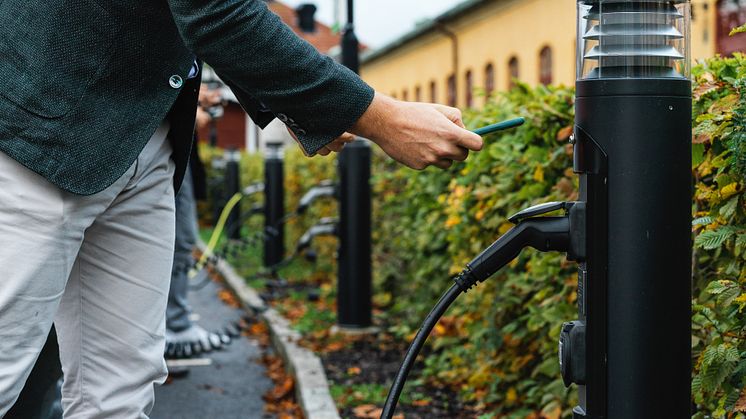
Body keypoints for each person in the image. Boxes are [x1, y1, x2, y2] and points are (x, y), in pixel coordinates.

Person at [0, 1, 483, 417]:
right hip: (40, 126)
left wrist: (305, 108)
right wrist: (381, 117)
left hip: (144, 137)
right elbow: (216, 12)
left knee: (123, 384)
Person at [164, 84, 229, 358]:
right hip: (163, 147)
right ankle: (175, 326)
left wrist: (195, 95)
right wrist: (189, 109)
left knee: (181, 240)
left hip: (172, 150)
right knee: (180, 240)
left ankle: (172, 322)